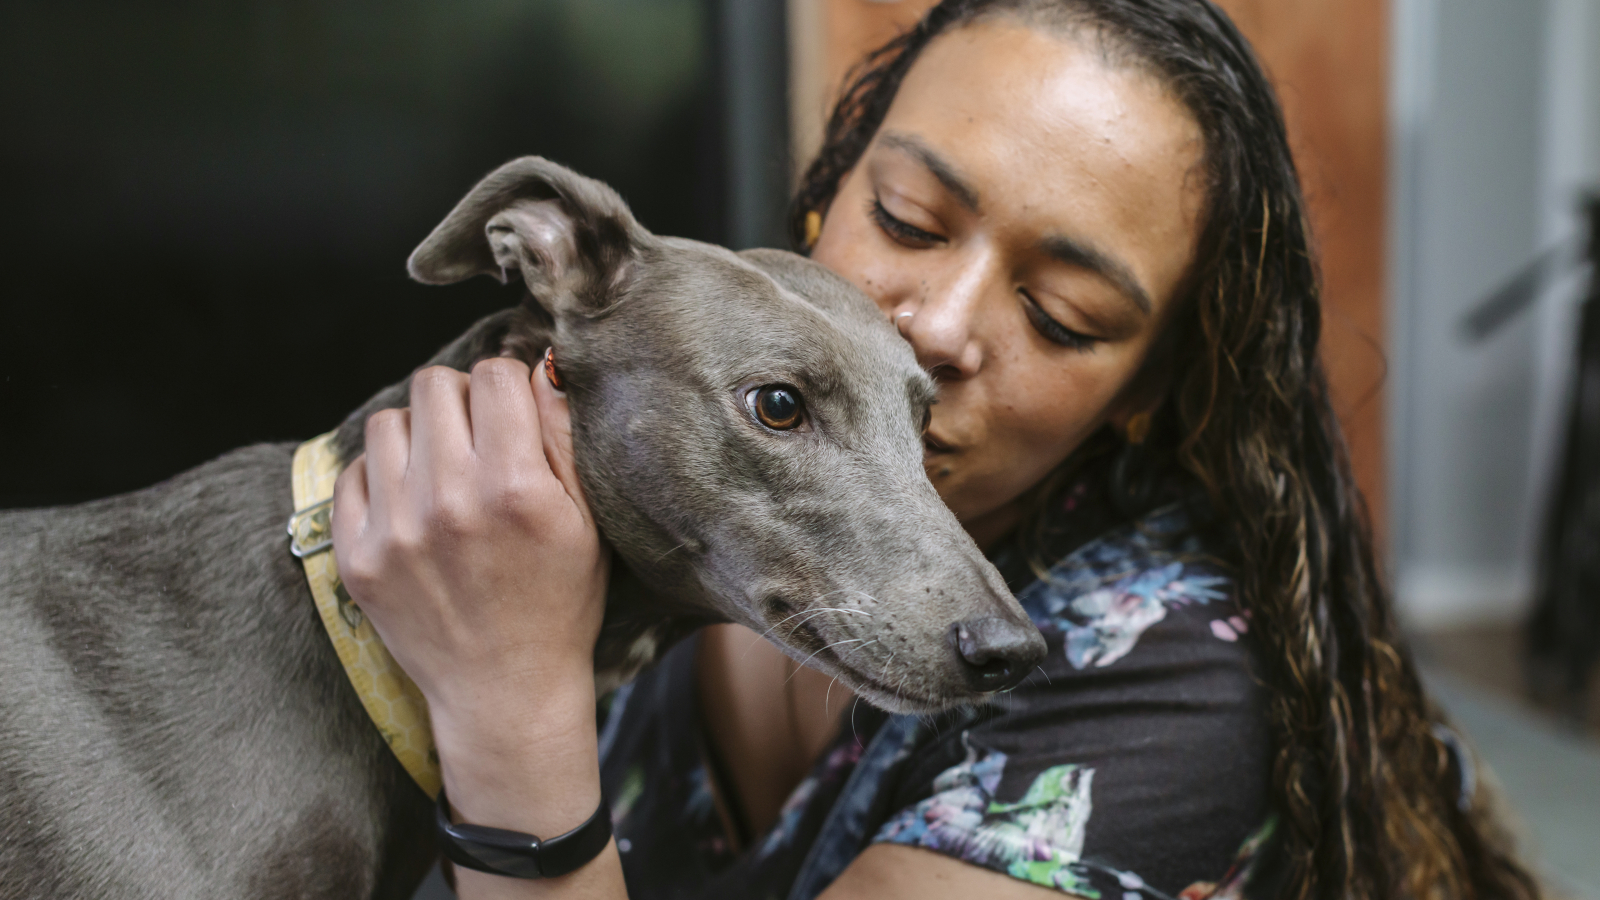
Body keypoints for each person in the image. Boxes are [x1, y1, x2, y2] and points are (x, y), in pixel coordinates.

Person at [329, 2, 1540, 899]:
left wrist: (510, 712)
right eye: (903, 219)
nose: (939, 329)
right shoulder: (640, 482)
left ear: (1141, 389)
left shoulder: (1173, 691)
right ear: (827, 193)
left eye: (1060, 315)